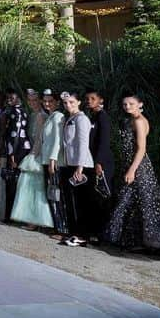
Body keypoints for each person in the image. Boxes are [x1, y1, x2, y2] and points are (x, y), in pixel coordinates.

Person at [103, 94, 160, 255]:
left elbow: (141, 149)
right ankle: (134, 241)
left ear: (140, 104)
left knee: (143, 203)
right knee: (130, 202)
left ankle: (154, 243)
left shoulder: (139, 121)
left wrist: (132, 170)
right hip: (130, 165)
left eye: (131, 103)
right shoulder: (129, 120)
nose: (127, 106)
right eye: (125, 104)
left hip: (139, 167)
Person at [10, 89, 53, 229]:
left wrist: (33, 155)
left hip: (37, 154)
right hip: (32, 152)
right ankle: (32, 219)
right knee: (30, 186)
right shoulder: (32, 115)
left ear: (40, 100)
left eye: (35, 100)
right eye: (30, 100)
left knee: (33, 187)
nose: (32, 103)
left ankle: (34, 220)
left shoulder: (41, 116)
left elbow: (40, 139)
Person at [60, 92, 98, 247]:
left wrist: (80, 167)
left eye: (72, 102)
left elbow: (83, 143)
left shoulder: (82, 119)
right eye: (65, 103)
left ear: (79, 102)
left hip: (81, 166)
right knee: (72, 200)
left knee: (81, 201)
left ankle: (82, 235)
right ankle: (73, 232)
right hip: (70, 163)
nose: (68, 105)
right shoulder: (69, 118)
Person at [0, 88, 30, 221]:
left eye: (12, 98)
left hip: (15, 151)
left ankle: (10, 215)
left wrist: (11, 154)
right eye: (8, 98)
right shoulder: (22, 112)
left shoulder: (13, 112)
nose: (9, 100)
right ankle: (11, 214)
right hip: (21, 150)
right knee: (13, 182)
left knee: (11, 182)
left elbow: (10, 136)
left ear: (18, 98)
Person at [39, 90, 68, 236]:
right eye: (45, 101)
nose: (47, 103)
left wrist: (53, 159)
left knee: (57, 194)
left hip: (54, 162)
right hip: (46, 160)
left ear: (57, 102)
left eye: (50, 101)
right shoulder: (50, 116)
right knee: (51, 193)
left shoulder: (59, 116)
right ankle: (55, 225)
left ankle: (62, 228)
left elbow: (58, 140)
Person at [85, 88, 115, 227]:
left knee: (102, 195)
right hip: (91, 160)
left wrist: (99, 162)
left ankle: (102, 230)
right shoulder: (92, 116)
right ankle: (94, 228)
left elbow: (104, 141)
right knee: (94, 196)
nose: (89, 101)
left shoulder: (103, 117)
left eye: (93, 99)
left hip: (102, 162)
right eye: (88, 99)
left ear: (100, 100)